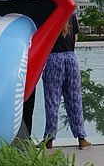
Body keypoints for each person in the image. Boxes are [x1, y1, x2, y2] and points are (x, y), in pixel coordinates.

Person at [41, 13, 92, 150]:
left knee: (52, 101)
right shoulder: (71, 15)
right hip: (71, 58)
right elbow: (75, 38)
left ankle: (49, 140)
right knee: (75, 100)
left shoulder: (48, 14)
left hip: (53, 59)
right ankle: (82, 139)